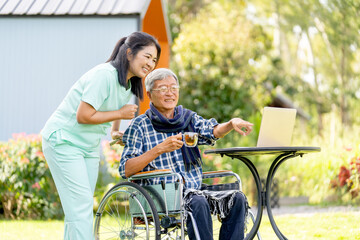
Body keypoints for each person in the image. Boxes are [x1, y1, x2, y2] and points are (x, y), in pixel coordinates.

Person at [41, 31, 161, 240]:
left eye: (154, 60)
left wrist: (115, 130)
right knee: (81, 207)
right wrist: (120, 114)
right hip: (63, 141)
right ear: (130, 53)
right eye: (147, 57)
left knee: (79, 208)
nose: (151, 64)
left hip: (87, 146)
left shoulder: (127, 83)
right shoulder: (104, 75)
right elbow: (83, 115)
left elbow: (117, 106)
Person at [119, 68, 254, 240]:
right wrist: (159, 149)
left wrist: (230, 123)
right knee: (197, 201)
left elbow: (211, 131)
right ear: (150, 94)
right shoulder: (140, 126)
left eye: (174, 88)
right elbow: (126, 169)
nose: (170, 93)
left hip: (194, 190)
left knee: (237, 198)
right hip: (162, 196)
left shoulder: (187, 119)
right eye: (162, 89)